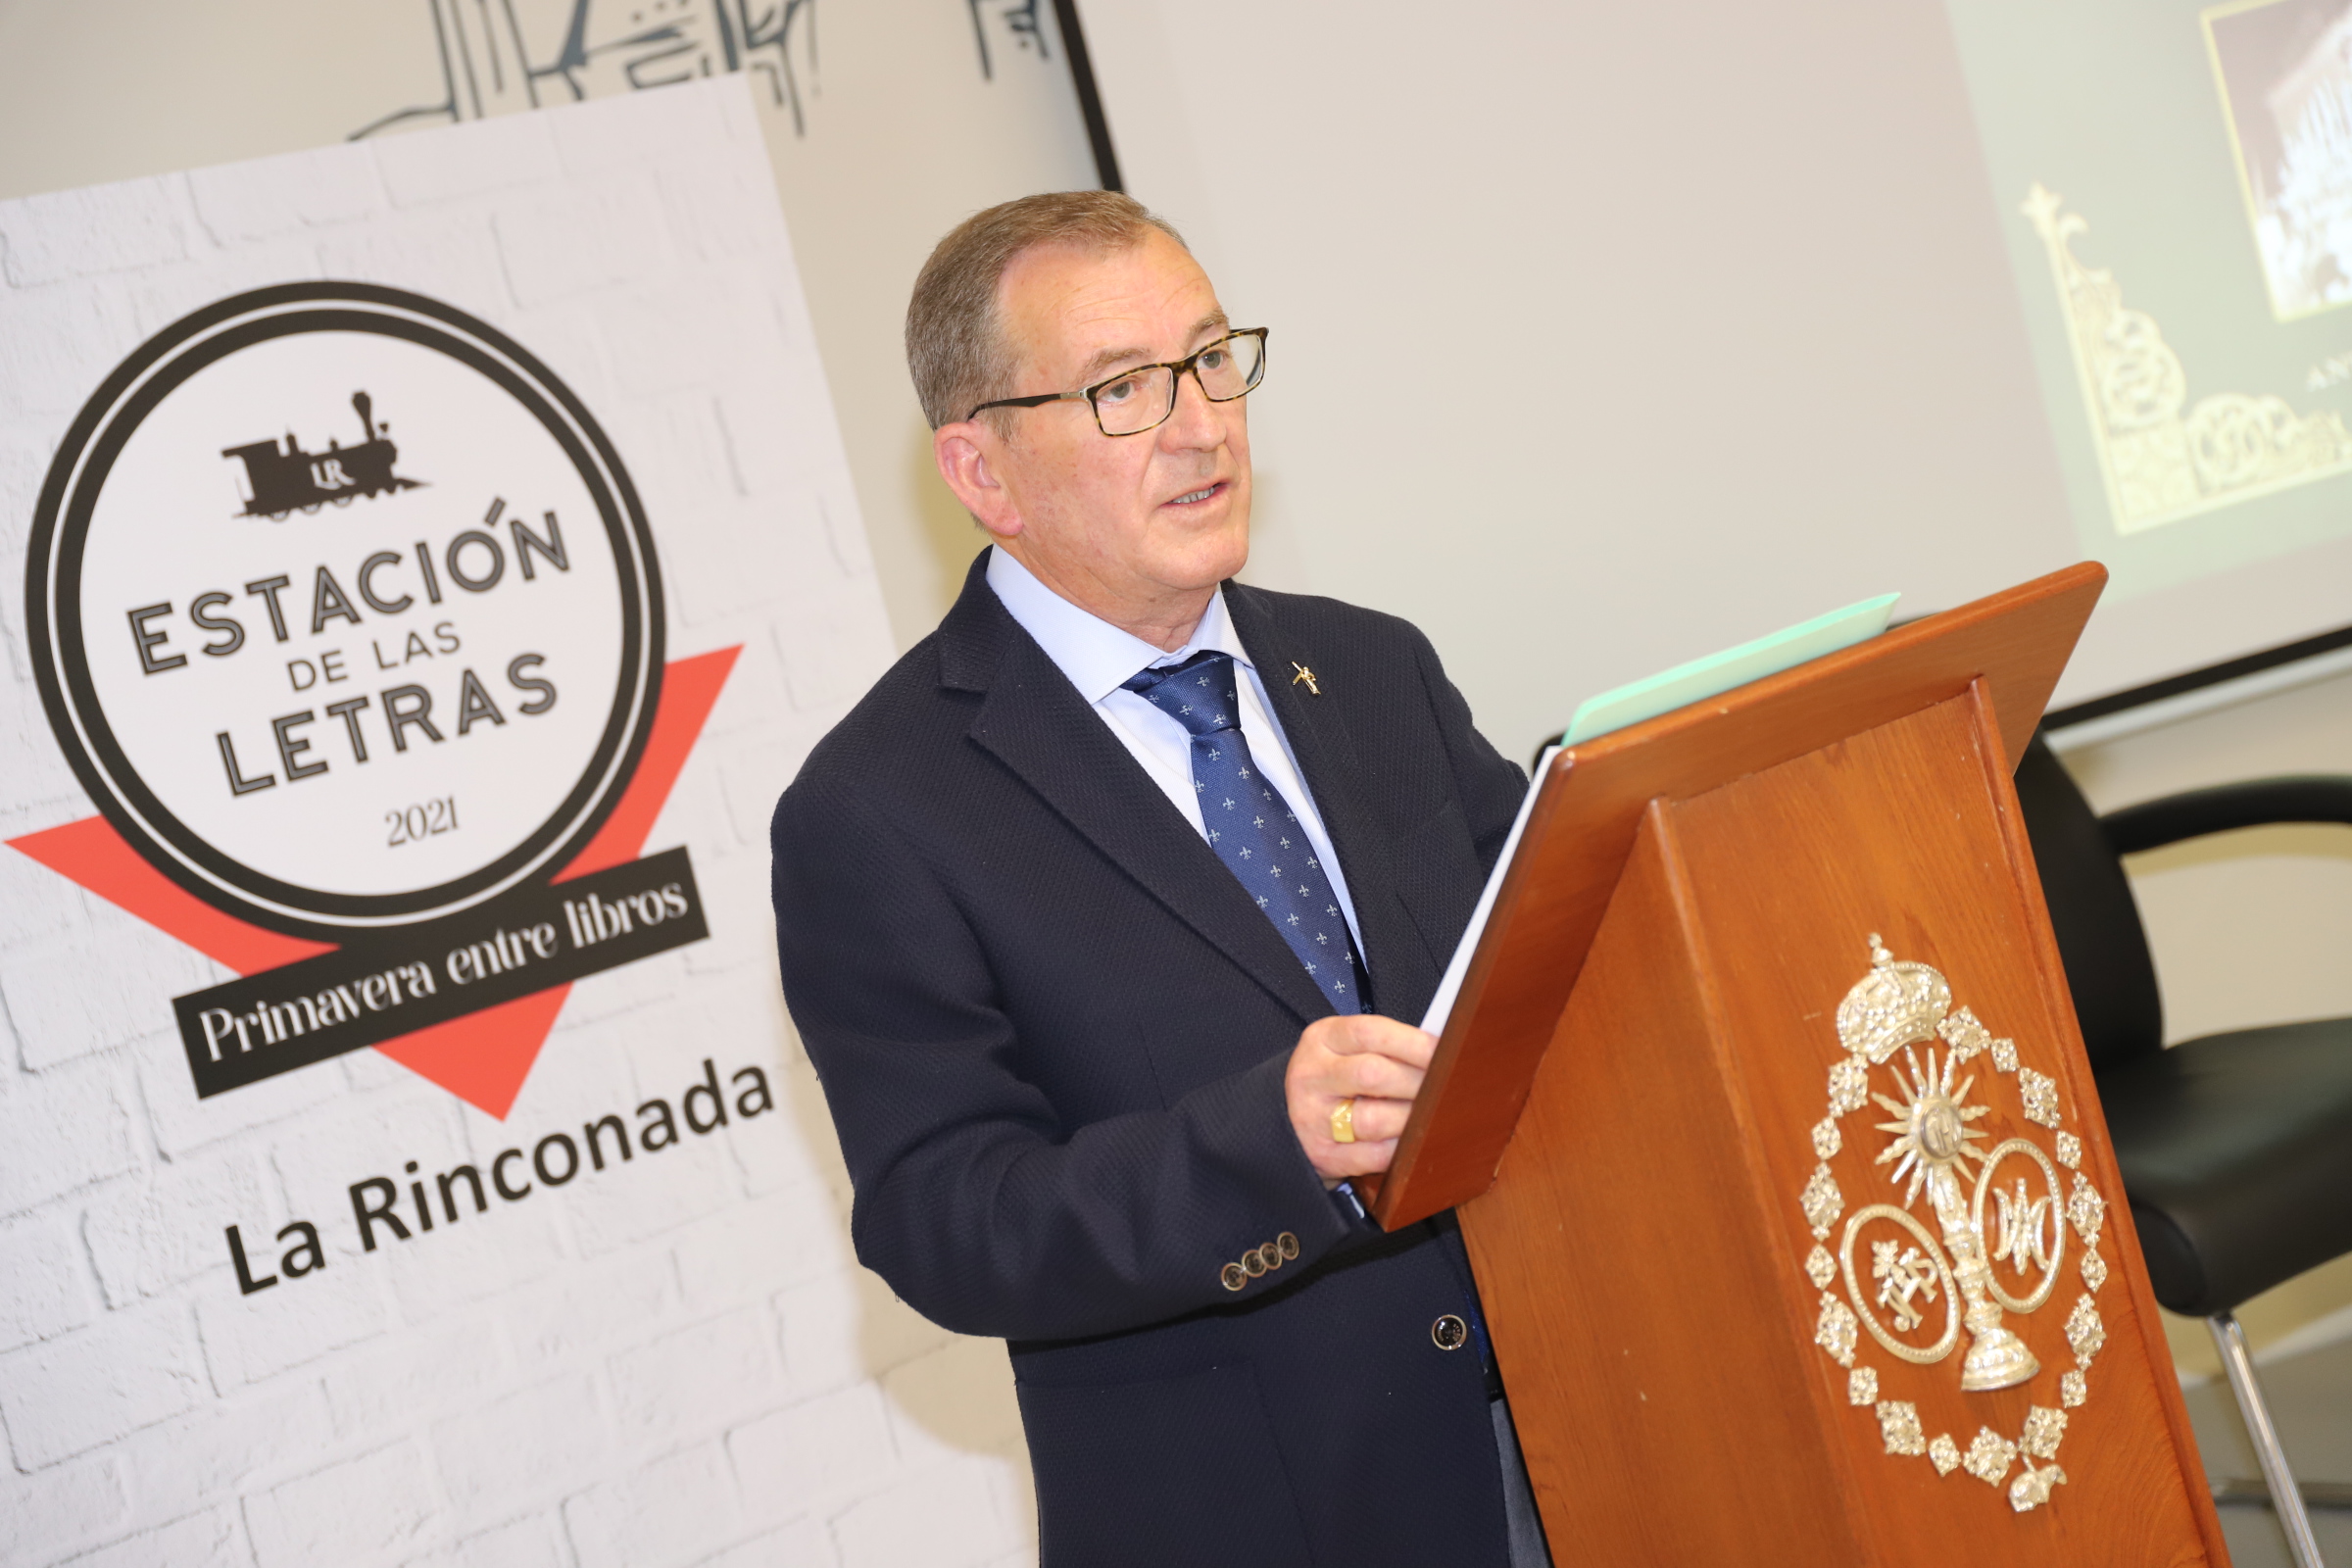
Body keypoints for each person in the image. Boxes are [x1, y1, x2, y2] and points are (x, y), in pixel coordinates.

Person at [771, 191, 1549, 1567]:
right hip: (1274, 1519)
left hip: (1583, 1426)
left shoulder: (1373, 668)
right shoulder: (879, 808)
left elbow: (1547, 963)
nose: (1202, 425)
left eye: (1209, 358)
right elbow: (946, 1220)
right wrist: (1266, 1144)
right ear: (984, 473)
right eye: (1123, 389)